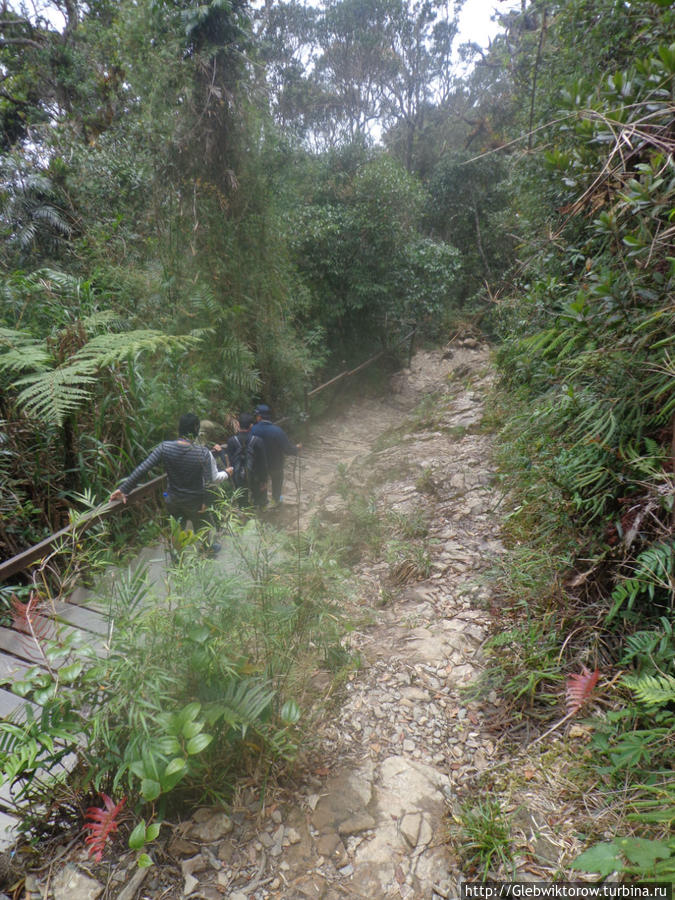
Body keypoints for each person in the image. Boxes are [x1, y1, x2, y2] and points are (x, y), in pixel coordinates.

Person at [110, 412, 233, 550]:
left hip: (172, 499)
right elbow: (212, 479)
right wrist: (226, 474)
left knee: (176, 528)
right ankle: (206, 549)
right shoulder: (203, 452)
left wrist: (124, 489)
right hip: (195, 500)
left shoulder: (165, 447)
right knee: (201, 525)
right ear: (196, 428)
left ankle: (176, 557)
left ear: (179, 428)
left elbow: (143, 468)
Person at [250, 404, 302, 507]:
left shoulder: (253, 430)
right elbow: (287, 449)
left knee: (261, 481)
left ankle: (261, 502)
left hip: (259, 465)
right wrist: (297, 448)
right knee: (277, 480)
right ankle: (276, 500)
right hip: (275, 463)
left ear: (259, 417)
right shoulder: (277, 431)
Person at [214, 413, 268, 508]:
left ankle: (244, 514)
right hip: (255, 476)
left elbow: (229, 461)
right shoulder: (258, 441)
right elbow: (263, 463)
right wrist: (264, 480)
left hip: (238, 476)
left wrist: (221, 452)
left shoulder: (232, 441)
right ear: (251, 426)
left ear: (238, 424)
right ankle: (258, 513)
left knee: (242, 500)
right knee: (258, 499)